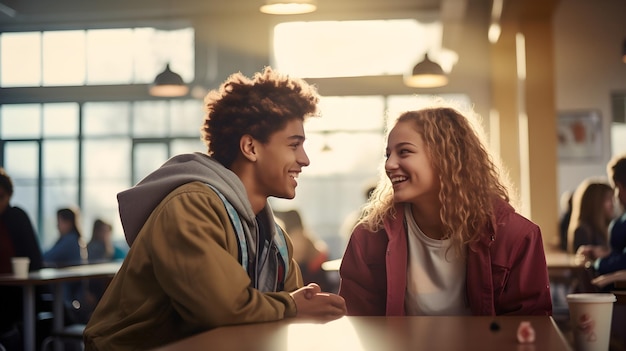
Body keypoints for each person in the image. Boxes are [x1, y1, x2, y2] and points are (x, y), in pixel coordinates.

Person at [83, 67, 346, 351]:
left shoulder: (274, 237)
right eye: (294, 145)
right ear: (250, 147)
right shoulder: (191, 206)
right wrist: (293, 307)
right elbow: (222, 311)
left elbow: (295, 306)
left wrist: (300, 307)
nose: (304, 160)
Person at [338, 104, 552, 316]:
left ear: (446, 157)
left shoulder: (516, 237)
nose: (389, 164)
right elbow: (358, 327)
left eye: (404, 152)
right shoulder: (368, 238)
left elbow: (531, 330)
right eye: (388, 155)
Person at [0, 168, 46, 350]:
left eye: (1, 196)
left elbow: (34, 259)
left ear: (9, 196)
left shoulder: (16, 217)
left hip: (17, 292)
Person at [274, 209, 333, 292]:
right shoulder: (304, 235)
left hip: (312, 279)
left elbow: (294, 261)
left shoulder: (297, 236)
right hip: (317, 278)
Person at [566, 178, 614, 255]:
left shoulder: (606, 227)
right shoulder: (583, 230)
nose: (612, 204)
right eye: (608, 199)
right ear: (595, 203)